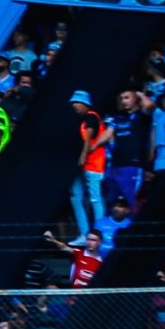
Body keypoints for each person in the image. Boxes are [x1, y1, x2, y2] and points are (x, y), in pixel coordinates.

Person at [68, 90, 107, 243]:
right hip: (87, 165)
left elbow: (88, 140)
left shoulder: (91, 117)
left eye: (77, 103)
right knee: (77, 196)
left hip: (94, 164)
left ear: (85, 103)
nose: (74, 106)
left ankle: (99, 235)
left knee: (95, 199)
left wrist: (83, 156)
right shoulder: (85, 119)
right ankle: (85, 234)